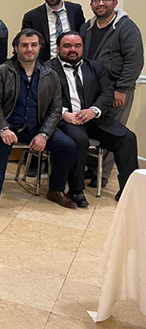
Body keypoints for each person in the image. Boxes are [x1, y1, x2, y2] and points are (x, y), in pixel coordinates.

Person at [0, 29, 77, 218]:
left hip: (37, 128)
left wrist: (44, 134)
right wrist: (3, 128)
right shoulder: (1, 71)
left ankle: (56, 190)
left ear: (40, 47)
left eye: (34, 45)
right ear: (15, 48)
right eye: (24, 45)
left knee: (67, 145)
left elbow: (55, 109)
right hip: (8, 127)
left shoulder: (50, 75)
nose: (29, 49)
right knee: (1, 147)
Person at [50, 31, 138, 204]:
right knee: (79, 140)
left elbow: (107, 93)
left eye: (77, 46)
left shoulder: (96, 67)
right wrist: (64, 114)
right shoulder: (48, 68)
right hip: (65, 120)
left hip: (93, 118)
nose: (73, 49)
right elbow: (43, 98)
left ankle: (128, 190)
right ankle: (76, 191)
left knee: (127, 138)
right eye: (67, 46)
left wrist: (94, 110)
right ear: (58, 48)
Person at [80, 0, 144, 187]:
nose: (100, 3)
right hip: (92, 92)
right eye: (96, 0)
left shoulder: (126, 28)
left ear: (114, 3)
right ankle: (91, 168)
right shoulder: (87, 28)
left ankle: (102, 175)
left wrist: (122, 89)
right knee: (94, 130)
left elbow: (134, 61)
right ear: (91, 4)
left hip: (117, 92)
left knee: (113, 133)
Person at [21, 0, 86, 62]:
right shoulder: (31, 17)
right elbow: (26, 44)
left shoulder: (75, 10)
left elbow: (82, 37)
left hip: (72, 63)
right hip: (44, 65)